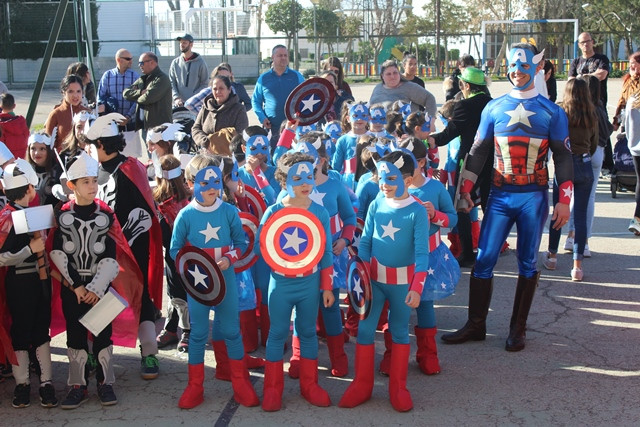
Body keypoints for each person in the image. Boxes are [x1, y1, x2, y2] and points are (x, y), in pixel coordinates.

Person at [440, 43, 573, 352]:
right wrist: (465, 190)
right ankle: (476, 325)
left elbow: (564, 158)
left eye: (525, 65)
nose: (517, 71)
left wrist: (564, 200)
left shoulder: (552, 111)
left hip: (533, 197)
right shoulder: (493, 107)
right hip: (499, 194)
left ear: (537, 68)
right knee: (484, 258)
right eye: (513, 65)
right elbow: (477, 152)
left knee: (528, 261)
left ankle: (518, 329)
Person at [339, 151, 428, 412]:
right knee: (366, 331)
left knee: (399, 331)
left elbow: (422, 253)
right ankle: (362, 384)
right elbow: (365, 241)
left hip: (402, 285)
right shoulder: (378, 201)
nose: (383, 184)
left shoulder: (417, 212)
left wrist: (417, 286)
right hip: (373, 281)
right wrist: (360, 273)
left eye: (391, 178)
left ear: (408, 181)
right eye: (381, 177)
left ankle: (398, 387)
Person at [170, 155, 259, 409]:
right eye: (203, 182)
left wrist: (230, 258)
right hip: (197, 285)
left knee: (232, 331)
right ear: (189, 184)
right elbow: (175, 249)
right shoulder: (185, 215)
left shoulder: (230, 211)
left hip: (226, 279)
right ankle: (195, 386)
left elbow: (240, 243)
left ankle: (240, 382)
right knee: (197, 334)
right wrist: (191, 267)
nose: (211, 188)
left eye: (216, 182)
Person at [86, 113, 164, 379]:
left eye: (91, 144)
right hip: (100, 250)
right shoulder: (92, 171)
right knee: (100, 297)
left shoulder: (131, 168)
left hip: (132, 250)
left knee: (138, 297)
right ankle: (95, 352)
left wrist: (124, 243)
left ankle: (149, 353)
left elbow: (145, 212)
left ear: (101, 144)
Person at [256, 152, 334, 411]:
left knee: (308, 332)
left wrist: (326, 286)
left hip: (310, 283)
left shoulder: (320, 212)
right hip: (281, 283)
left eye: (309, 177)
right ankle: (272, 388)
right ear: (282, 180)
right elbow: (261, 247)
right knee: (277, 333)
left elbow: (326, 252)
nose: (305, 182)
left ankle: (310, 385)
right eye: (297, 177)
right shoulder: (274, 211)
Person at [49, 151, 123, 408]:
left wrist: (97, 287)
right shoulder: (61, 216)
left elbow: (112, 256)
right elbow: (58, 254)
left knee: (103, 336)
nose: (93, 186)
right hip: (73, 289)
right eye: (86, 182)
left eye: (94, 180)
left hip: (101, 288)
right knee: (76, 336)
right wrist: (78, 288)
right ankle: (77, 385)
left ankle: (105, 383)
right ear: (72, 186)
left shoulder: (106, 216)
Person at [0, 159, 58, 408]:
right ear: (31, 190)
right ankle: (22, 383)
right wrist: (28, 250)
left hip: (40, 281)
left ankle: (46, 382)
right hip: (19, 283)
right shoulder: (6, 218)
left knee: (40, 330)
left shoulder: (36, 214)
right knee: (22, 331)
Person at [429, 67, 492, 268]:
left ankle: (467, 253)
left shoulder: (464, 106)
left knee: (463, 205)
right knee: (490, 207)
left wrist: (426, 140)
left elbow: (448, 135)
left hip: (470, 165)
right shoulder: (493, 104)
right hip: (493, 164)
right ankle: (489, 251)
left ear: (465, 85)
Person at [542, 78, 597, 281]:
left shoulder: (560, 112)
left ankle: (553, 255)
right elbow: (593, 144)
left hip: (564, 165)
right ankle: (577, 266)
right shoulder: (591, 114)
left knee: (559, 210)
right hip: (584, 163)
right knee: (580, 216)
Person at [150, 139, 191, 353]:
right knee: (175, 294)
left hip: (184, 255)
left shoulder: (186, 201)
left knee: (179, 293)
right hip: (180, 255)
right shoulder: (160, 203)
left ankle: (186, 332)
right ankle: (172, 328)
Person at [569, 32, 612, 171]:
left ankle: (608, 164)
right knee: (583, 130)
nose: (586, 44)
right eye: (582, 42)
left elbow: (602, 74)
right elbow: (570, 80)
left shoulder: (601, 59)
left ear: (592, 42)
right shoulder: (576, 61)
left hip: (597, 101)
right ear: (579, 45)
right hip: (579, 104)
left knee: (603, 131)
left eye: (588, 41)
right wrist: (588, 77)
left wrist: (581, 77)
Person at [251, 45, 304, 148]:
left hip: (293, 128)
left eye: (285, 55)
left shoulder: (297, 76)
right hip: (272, 128)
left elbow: (306, 96)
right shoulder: (264, 79)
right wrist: (262, 117)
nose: (283, 58)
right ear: (273, 57)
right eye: (280, 55)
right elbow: (256, 101)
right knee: (273, 157)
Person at [97, 49, 141, 157]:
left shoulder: (135, 77)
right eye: (127, 59)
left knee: (131, 157)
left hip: (129, 125)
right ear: (118, 60)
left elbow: (139, 99)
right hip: (111, 126)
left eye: (131, 58)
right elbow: (100, 98)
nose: (131, 61)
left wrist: (128, 117)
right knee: (113, 156)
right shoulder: (107, 76)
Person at [191, 75, 248, 153]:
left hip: (229, 155)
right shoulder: (206, 107)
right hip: (205, 153)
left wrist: (215, 143)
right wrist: (205, 142)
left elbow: (240, 133)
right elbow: (196, 128)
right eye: (215, 89)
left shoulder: (238, 109)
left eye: (221, 88)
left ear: (229, 89)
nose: (218, 92)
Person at [617, 52, 640, 235]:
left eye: (635, 64)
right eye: (630, 63)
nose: (632, 67)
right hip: (635, 142)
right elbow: (621, 104)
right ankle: (638, 218)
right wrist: (615, 124)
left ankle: (637, 218)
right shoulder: (628, 84)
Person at [123, 52, 172, 133]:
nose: (139, 66)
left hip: (160, 129)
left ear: (152, 62)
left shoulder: (162, 79)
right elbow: (125, 93)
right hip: (144, 127)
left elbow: (148, 98)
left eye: (141, 63)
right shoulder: (143, 79)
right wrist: (140, 92)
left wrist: (136, 97)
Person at [369, 60, 437, 118]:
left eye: (395, 73)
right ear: (382, 76)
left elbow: (430, 98)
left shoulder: (409, 87)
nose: (392, 76)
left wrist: (429, 119)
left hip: (404, 131)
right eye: (388, 74)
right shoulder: (377, 88)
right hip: (379, 130)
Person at [45, 75, 90, 151]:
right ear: (63, 92)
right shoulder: (55, 114)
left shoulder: (88, 113)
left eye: (78, 91)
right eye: (70, 91)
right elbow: (48, 144)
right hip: (61, 160)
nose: (75, 95)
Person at [185, 63, 252, 114]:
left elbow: (248, 104)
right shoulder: (209, 91)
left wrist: (238, 113)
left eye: (227, 77)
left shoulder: (233, 89)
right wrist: (206, 115)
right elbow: (189, 104)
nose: (225, 80)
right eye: (222, 77)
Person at [169, 34, 209, 108]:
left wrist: (194, 97)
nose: (181, 45)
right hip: (178, 105)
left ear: (191, 44)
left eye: (184, 43)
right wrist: (176, 98)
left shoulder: (200, 62)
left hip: (195, 105)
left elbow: (204, 84)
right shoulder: (175, 63)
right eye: (180, 42)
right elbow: (172, 82)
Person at [0, 93, 29, 159]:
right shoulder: (21, 122)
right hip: (21, 158)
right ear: (14, 106)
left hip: (6, 160)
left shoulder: (1, 125)